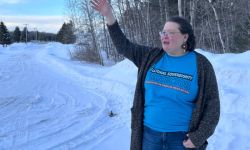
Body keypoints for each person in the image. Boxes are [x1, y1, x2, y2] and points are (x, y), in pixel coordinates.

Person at [91, 0, 220, 150]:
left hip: (182, 139)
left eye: (171, 33)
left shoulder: (201, 65)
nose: (165, 36)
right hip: (149, 136)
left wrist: (198, 137)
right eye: (163, 32)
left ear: (185, 37)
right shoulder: (150, 56)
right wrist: (108, 15)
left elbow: (213, 105)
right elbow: (123, 45)